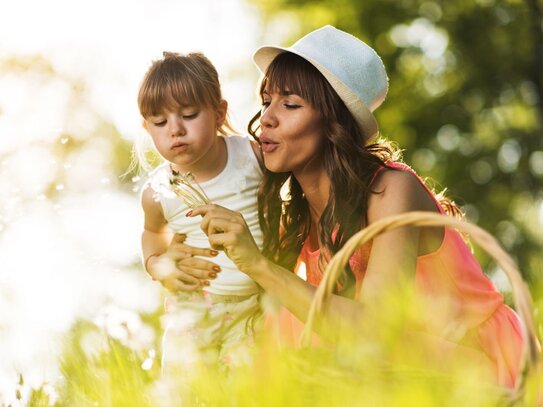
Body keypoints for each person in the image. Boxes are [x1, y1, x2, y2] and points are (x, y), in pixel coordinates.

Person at [185, 26, 525, 388]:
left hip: (485, 368)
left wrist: (258, 264)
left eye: (290, 104)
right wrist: (173, 262)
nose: (267, 117)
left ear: (334, 124)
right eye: (267, 100)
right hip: (410, 373)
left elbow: (376, 333)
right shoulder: (297, 219)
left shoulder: (393, 190)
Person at [137, 51, 264, 374]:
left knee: (248, 390)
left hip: (258, 305)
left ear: (219, 113)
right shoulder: (158, 191)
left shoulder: (251, 157)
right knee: (188, 388)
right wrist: (157, 265)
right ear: (147, 128)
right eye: (160, 122)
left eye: (189, 114)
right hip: (193, 308)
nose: (175, 130)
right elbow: (153, 234)